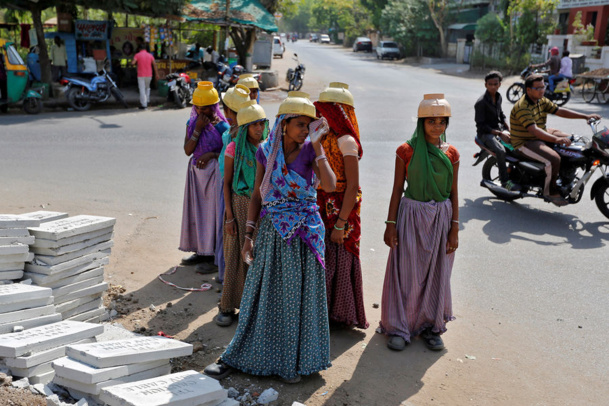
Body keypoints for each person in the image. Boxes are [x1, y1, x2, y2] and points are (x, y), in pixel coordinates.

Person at [204, 91, 337, 383]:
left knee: (297, 299)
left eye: (308, 125)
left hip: (303, 235)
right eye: (300, 124)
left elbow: (329, 184)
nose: (305, 130)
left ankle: (294, 361)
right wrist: (249, 234)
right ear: (284, 124)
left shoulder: (311, 151)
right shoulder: (266, 150)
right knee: (260, 295)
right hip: (272, 232)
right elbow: (257, 195)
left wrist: (318, 148)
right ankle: (246, 354)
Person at [380, 94, 459, 352]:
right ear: (421, 123)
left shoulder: (452, 153)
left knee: (437, 274)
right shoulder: (406, 151)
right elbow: (396, 189)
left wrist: (454, 228)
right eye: (431, 121)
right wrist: (390, 224)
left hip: (441, 220)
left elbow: (454, 192)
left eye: (442, 122)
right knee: (407, 275)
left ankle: (431, 327)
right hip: (411, 217)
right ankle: (400, 327)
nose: (437, 127)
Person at [314, 82, 368, 329]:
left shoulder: (346, 141)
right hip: (321, 204)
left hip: (341, 208)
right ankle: (322, 313)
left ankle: (340, 315)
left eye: (324, 111)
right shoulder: (321, 138)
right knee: (323, 258)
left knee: (340, 255)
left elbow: (353, 187)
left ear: (337, 112)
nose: (319, 116)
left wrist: (341, 222)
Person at [216, 100, 269, 326]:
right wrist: (229, 216)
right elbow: (226, 184)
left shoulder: (268, 149)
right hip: (238, 207)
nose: (259, 129)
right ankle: (228, 307)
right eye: (254, 125)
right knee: (235, 259)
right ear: (246, 127)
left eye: (262, 124)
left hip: (262, 210)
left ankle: (252, 311)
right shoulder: (233, 148)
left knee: (257, 260)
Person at [510, 74, 600, 205]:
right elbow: (534, 131)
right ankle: (550, 192)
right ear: (528, 90)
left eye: (543, 86)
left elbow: (559, 111)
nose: (542, 90)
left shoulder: (541, 100)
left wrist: (585, 116)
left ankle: (565, 176)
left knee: (573, 141)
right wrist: (555, 140)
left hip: (541, 133)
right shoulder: (522, 107)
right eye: (538, 88)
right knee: (554, 159)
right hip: (525, 141)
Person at [198, 84, 250, 277]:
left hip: (229, 189)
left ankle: (226, 276)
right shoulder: (248, 132)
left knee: (228, 230)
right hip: (244, 192)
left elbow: (228, 175)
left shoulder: (231, 135)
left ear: (227, 111)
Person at [179, 82, 230, 268]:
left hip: (214, 174)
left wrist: (211, 155)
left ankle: (212, 256)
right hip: (196, 174)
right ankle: (200, 251)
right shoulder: (192, 123)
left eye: (206, 108)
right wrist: (198, 128)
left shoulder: (223, 127)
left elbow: (227, 153)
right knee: (197, 212)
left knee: (212, 215)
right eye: (198, 108)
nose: (202, 112)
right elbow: (187, 150)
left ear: (214, 106)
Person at [474, 71, 519, 191]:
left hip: (499, 129)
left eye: (495, 84)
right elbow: (481, 125)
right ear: (485, 85)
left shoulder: (498, 97)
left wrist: (506, 126)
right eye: (490, 84)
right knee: (500, 150)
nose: (493, 86)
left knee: (520, 144)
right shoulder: (481, 102)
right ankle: (505, 181)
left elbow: (501, 114)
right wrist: (499, 133)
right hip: (486, 134)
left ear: (499, 84)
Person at [131, 44, 158, 110]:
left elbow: (133, 63)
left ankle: (144, 104)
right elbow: (154, 65)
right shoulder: (150, 55)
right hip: (149, 74)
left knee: (142, 89)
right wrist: (156, 74)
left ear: (139, 49)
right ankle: (147, 100)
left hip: (141, 75)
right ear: (146, 49)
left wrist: (133, 63)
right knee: (147, 88)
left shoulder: (137, 55)